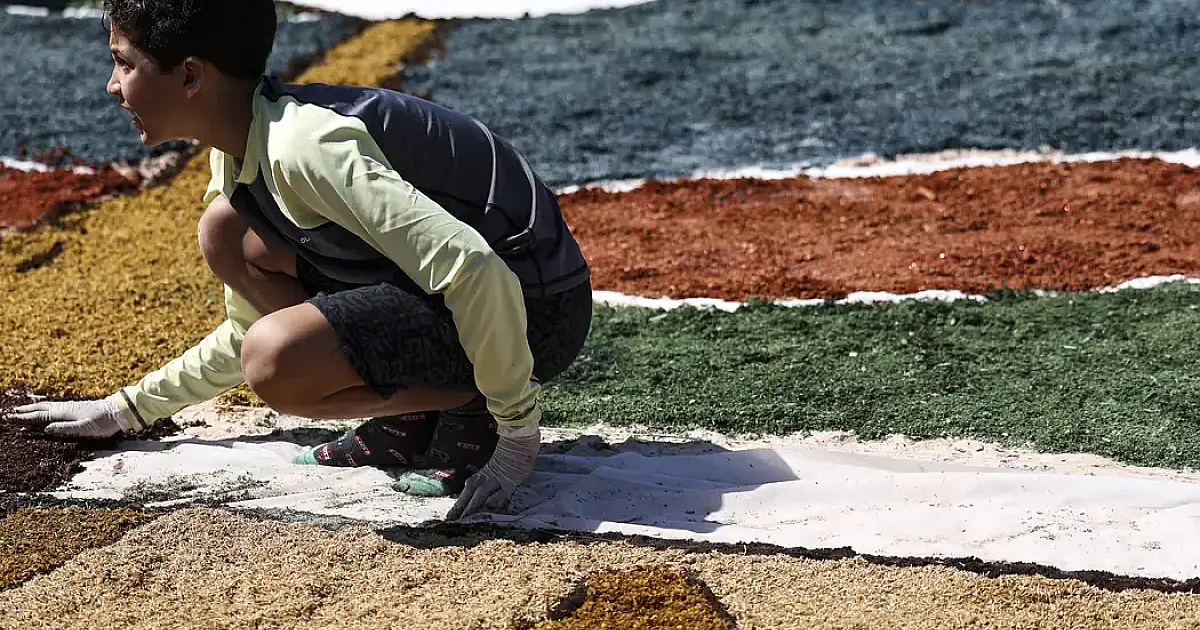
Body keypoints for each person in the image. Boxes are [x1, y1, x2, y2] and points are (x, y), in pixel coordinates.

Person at [12, 0, 592, 520]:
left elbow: (473, 266)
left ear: (190, 74)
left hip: (538, 309)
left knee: (278, 365)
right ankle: (415, 412)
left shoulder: (304, 147)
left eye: (124, 63)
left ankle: (476, 411)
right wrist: (125, 410)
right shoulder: (243, 147)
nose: (113, 87)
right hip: (475, 296)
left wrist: (517, 432)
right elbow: (247, 328)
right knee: (225, 234)